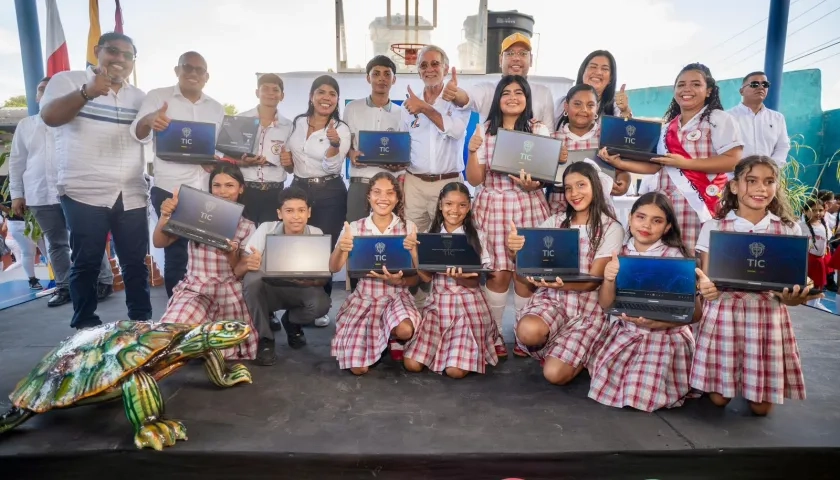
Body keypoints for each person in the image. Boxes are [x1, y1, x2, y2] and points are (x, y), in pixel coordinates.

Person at [39, 32, 151, 329]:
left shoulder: (140, 97)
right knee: (87, 261)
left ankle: (141, 323)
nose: (120, 59)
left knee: (135, 263)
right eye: (113, 51)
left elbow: (144, 137)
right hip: (83, 190)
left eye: (128, 55)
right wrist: (87, 92)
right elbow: (49, 117)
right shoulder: (67, 81)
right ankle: (85, 326)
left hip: (130, 192)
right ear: (98, 51)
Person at [692, 155, 818, 416]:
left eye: (769, 181)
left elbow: (794, 284)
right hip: (724, 314)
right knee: (718, 400)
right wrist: (705, 287)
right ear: (735, 186)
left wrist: (796, 296)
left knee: (761, 408)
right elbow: (705, 275)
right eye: (752, 181)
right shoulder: (713, 226)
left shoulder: (787, 229)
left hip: (767, 318)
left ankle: (752, 384)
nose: (761, 188)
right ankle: (724, 381)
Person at [599, 63, 744, 255]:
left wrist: (685, 164)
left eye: (695, 84)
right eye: (681, 84)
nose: (687, 89)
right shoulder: (668, 127)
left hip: (700, 205)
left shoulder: (718, 119)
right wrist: (619, 163)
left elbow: (733, 160)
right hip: (665, 208)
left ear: (708, 90)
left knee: (697, 259)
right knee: (668, 259)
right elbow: (655, 167)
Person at [508, 162, 624, 385]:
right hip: (553, 301)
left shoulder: (611, 228)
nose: (574, 193)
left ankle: (584, 351)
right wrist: (515, 251)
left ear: (595, 186)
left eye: (581, 185)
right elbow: (528, 264)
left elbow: (592, 282)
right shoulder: (555, 222)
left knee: (554, 375)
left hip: (587, 310)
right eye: (568, 188)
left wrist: (558, 284)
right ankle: (559, 346)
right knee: (528, 332)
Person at [588, 192, 701, 412]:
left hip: (665, 336)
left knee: (638, 396)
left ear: (667, 227)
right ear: (630, 218)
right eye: (640, 217)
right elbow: (605, 304)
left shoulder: (676, 257)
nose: (646, 225)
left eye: (657, 220)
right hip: (627, 330)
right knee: (610, 386)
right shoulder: (619, 253)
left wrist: (661, 323)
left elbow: (694, 315)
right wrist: (609, 278)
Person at [465, 75, 550, 358]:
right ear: (498, 99)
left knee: (525, 274)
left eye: (519, 92)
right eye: (506, 93)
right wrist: (472, 150)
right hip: (492, 206)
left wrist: (533, 183)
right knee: (498, 275)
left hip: (528, 205)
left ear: (527, 98)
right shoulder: (485, 129)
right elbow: (476, 180)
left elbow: (544, 176)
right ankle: (496, 334)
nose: (512, 97)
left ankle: (524, 335)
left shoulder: (539, 130)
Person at [9, 76, 114, 305]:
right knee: (55, 243)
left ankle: (104, 281)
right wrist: (17, 194)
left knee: (86, 239)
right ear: (37, 96)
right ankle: (65, 287)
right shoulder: (26, 126)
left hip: (74, 190)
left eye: (50, 89)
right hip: (39, 193)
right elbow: (17, 161)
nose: (45, 93)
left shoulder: (76, 120)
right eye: (41, 89)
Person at [131, 51, 225, 298]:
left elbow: (216, 149)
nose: (193, 73)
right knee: (176, 254)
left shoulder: (216, 108)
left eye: (199, 70)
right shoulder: (158, 98)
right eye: (187, 67)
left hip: (204, 190)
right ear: (177, 70)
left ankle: (202, 304)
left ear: (206, 76)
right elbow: (138, 133)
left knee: (204, 253)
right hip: (170, 189)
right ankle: (177, 310)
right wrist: (150, 120)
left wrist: (211, 163)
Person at [156, 163, 257, 360]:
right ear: (210, 188)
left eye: (230, 185)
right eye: (217, 185)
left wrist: (230, 253)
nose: (223, 191)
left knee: (224, 352)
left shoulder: (247, 226)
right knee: (168, 335)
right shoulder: (194, 216)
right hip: (194, 289)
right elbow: (161, 242)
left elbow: (238, 272)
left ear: (241, 189)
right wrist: (165, 216)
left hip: (228, 291)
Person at [403, 182, 499, 378]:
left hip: (467, 307)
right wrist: (414, 253)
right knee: (412, 364)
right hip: (438, 307)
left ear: (469, 207)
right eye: (448, 204)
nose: (454, 210)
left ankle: (470, 347)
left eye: (462, 205)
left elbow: (476, 282)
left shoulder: (476, 237)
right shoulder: (431, 236)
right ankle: (445, 351)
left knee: (455, 371)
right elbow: (426, 277)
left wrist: (462, 278)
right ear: (440, 205)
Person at [329, 172, 421, 375]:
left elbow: (417, 277)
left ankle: (394, 337)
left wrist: (400, 280)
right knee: (358, 369)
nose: (383, 198)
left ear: (397, 198)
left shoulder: (409, 227)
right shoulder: (354, 228)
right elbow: (334, 267)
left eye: (390, 193)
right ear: (369, 196)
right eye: (377, 192)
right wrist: (341, 248)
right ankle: (382, 339)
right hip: (366, 298)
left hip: (396, 296)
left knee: (405, 330)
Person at [283, 75, 351, 326]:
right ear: (311, 96)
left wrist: (334, 145)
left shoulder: (341, 129)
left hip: (329, 191)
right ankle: (297, 304)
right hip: (298, 188)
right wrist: (287, 164)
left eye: (332, 93)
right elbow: (292, 159)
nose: (326, 97)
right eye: (321, 92)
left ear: (337, 100)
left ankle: (320, 307)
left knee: (324, 248)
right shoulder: (299, 122)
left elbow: (331, 163)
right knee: (297, 248)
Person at [241, 186, 333, 366]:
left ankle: (291, 322)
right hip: (271, 289)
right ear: (279, 213)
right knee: (251, 280)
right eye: (289, 211)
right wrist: (252, 261)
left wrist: (310, 280)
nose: (296, 216)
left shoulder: (316, 233)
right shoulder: (266, 229)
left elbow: (324, 278)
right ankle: (265, 338)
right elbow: (246, 260)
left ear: (309, 213)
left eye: (301, 210)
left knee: (322, 304)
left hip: (300, 289)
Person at [400, 45, 471, 234]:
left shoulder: (458, 100)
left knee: (448, 241)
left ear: (446, 69)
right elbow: (402, 145)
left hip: (447, 184)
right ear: (418, 72)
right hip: (414, 183)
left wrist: (424, 108)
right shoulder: (407, 106)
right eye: (423, 65)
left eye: (435, 64)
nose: (429, 69)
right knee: (413, 240)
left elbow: (455, 132)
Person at [545, 84, 630, 217]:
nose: (584, 109)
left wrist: (623, 183)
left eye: (590, 105)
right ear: (566, 107)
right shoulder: (553, 140)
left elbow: (621, 170)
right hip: (560, 215)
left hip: (600, 215)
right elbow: (542, 177)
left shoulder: (607, 138)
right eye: (577, 104)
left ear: (597, 109)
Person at [444, 33, 555, 132]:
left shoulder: (543, 93)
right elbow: (468, 98)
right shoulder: (486, 89)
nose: (516, 58)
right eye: (510, 53)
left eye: (523, 53)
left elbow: (549, 134)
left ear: (530, 60)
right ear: (501, 60)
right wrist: (455, 93)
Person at [344, 55, 405, 223]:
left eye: (387, 74)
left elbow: (405, 151)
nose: (381, 78)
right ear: (368, 78)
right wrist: (351, 154)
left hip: (390, 186)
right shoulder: (352, 108)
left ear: (394, 80)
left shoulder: (402, 113)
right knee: (355, 233)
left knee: (390, 235)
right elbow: (345, 145)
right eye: (376, 73)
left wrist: (399, 163)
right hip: (360, 182)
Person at [235, 73, 293, 224]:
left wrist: (288, 162)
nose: (270, 93)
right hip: (245, 191)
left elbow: (291, 168)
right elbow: (226, 157)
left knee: (270, 240)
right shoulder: (241, 120)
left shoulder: (289, 126)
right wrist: (242, 162)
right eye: (265, 89)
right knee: (243, 239)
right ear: (257, 92)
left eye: (275, 90)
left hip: (275, 193)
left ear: (282, 96)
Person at [727, 72, 790, 169]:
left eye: (765, 84)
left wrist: (770, 168)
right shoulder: (727, 117)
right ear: (741, 91)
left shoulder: (777, 118)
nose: (761, 87)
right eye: (754, 84)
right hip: (735, 178)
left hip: (766, 178)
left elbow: (782, 146)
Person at [554, 50, 632, 128]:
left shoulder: (616, 106)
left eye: (605, 69)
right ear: (583, 72)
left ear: (611, 78)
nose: (598, 72)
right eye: (593, 67)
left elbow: (628, 134)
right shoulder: (562, 103)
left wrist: (625, 111)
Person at [800, 197, 830, 312]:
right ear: (805, 211)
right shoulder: (801, 226)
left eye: (820, 210)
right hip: (807, 262)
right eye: (814, 210)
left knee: (818, 287)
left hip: (819, 261)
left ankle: (814, 306)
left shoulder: (824, 225)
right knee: (806, 287)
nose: (818, 213)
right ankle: (806, 307)